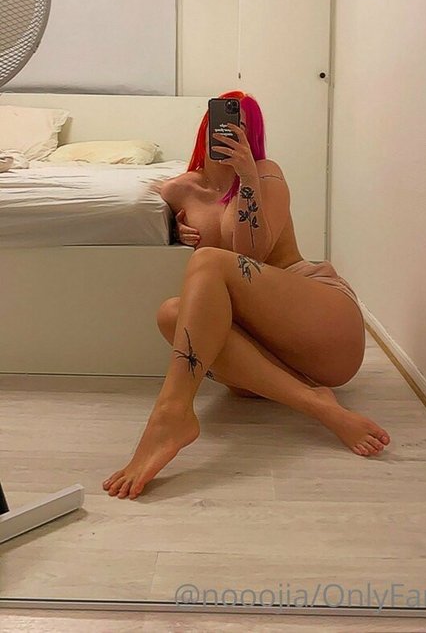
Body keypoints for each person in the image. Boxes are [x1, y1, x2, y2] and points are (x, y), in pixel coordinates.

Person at [103, 90, 390, 500]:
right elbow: (147, 215)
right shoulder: (178, 189)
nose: (225, 133)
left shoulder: (266, 174)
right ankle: (318, 404)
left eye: (238, 127)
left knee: (211, 261)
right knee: (170, 313)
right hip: (272, 348)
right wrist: (174, 230)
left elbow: (249, 254)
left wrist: (247, 178)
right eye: (218, 124)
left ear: (249, 135)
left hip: (323, 322)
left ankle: (170, 414)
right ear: (205, 128)